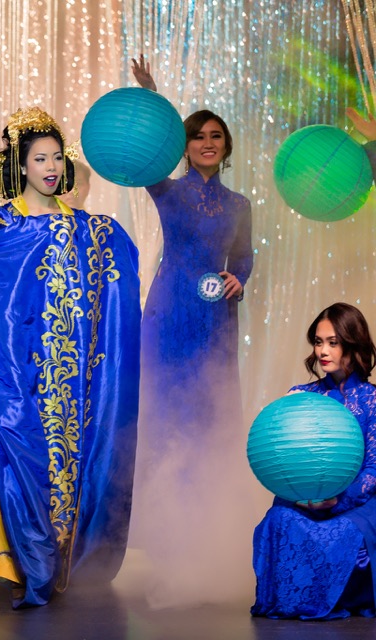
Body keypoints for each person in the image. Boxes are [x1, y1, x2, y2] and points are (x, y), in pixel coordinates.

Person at [0, 107, 142, 607]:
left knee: (73, 457)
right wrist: (53, 237)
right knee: (15, 456)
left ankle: (64, 556)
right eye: (40, 159)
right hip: (16, 365)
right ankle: (12, 558)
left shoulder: (89, 228)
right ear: (21, 164)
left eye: (57, 157)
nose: (52, 167)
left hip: (75, 371)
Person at [129, 55, 253, 446]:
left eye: (215, 136)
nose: (207, 143)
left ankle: (207, 492)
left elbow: (244, 257)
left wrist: (240, 277)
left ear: (227, 146)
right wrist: (151, 96)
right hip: (169, 306)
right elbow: (145, 149)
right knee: (163, 396)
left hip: (216, 312)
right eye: (198, 136)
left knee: (211, 401)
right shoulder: (167, 190)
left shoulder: (239, 204)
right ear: (184, 146)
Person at [252, 302, 376, 620]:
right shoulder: (300, 396)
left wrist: (336, 501)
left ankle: (340, 597)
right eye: (319, 342)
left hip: (358, 503)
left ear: (353, 343)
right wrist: (306, 498)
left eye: (333, 342)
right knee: (279, 519)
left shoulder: (373, 401)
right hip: (305, 499)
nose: (323, 350)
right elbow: (282, 457)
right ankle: (290, 599)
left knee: (347, 535)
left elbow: (373, 469)